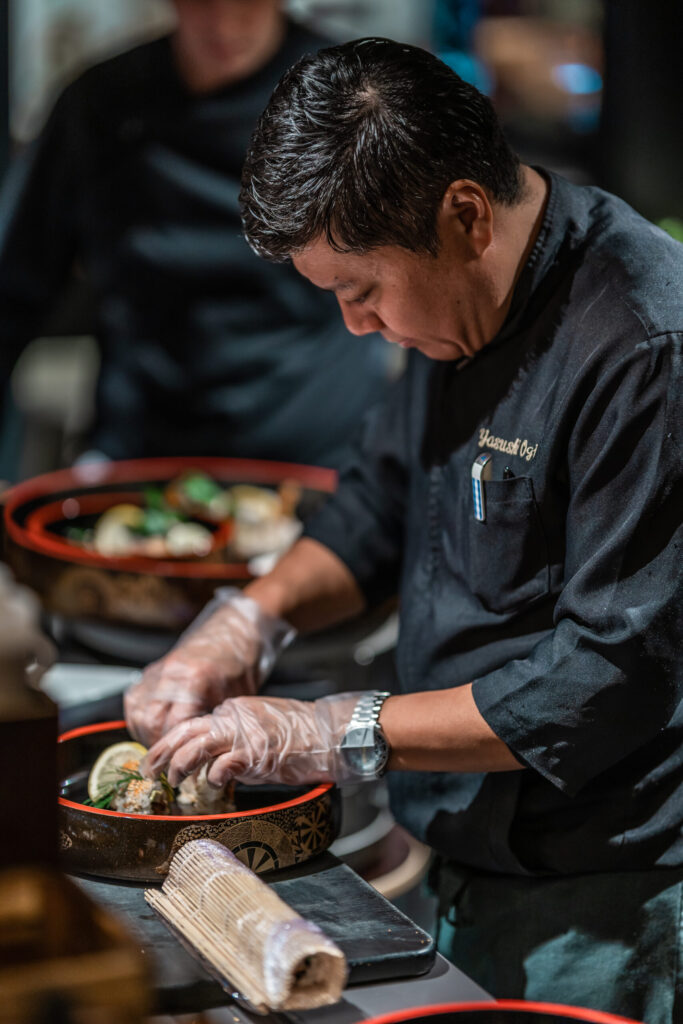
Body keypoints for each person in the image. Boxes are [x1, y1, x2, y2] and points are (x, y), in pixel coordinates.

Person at [125, 37, 683, 1022]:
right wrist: (242, 623)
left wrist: (333, 730)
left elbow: (602, 677)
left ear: (464, 215)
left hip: (605, 897)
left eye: (360, 289)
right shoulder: (452, 302)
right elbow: (376, 506)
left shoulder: (642, 344)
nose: (354, 324)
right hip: (466, 849)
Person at [0, 0, 392, 469]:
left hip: (317, 452)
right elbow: (12, 289)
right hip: (141, 447)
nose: (223, 23)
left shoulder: (356, 99)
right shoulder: (100, 104)